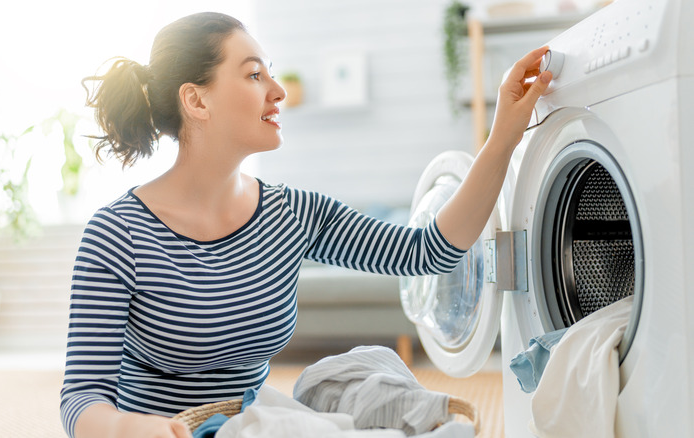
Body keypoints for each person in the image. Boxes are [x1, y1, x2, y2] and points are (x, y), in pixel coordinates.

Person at [59, 11, 552, 438]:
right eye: (254, 75)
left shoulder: (291, 214)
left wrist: (504, 134)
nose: (277, 92)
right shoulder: (116, 235)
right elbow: (83, 398)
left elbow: (428, 252)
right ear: (197, 101)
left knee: (354, 371)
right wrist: (129, 428)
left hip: (252, 427)